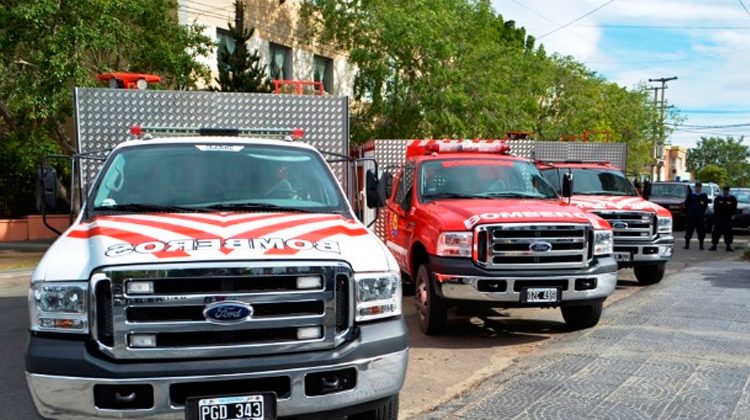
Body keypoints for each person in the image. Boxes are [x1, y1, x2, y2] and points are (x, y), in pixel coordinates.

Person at [710, 185, 738, 251]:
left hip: (727, 218)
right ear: (723, 190)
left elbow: (734, 208)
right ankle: (714, 245)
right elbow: (715, 208)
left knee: (728, 232)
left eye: (727, 190)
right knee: (716, 232)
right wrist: (717, 217)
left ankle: (728, 246)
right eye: (724, 190)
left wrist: (731, 216)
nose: (725, 191)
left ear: (729, 191)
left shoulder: (732, 199)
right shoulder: (718, 198)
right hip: (719, 218)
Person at [683, 182, 709, 250]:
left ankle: (701, 245)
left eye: (699, 187)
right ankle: (687, 245)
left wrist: (702, 211)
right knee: (689, 231)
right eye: (697, 187)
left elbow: (705, 205)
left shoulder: (703, 196)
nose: (698, 188)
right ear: (695, 188)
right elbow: (686, 204)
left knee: (701, 231)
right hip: (691, 216)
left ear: (701, 188)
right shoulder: (691, 195)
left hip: (700, 216)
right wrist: (690, 211)